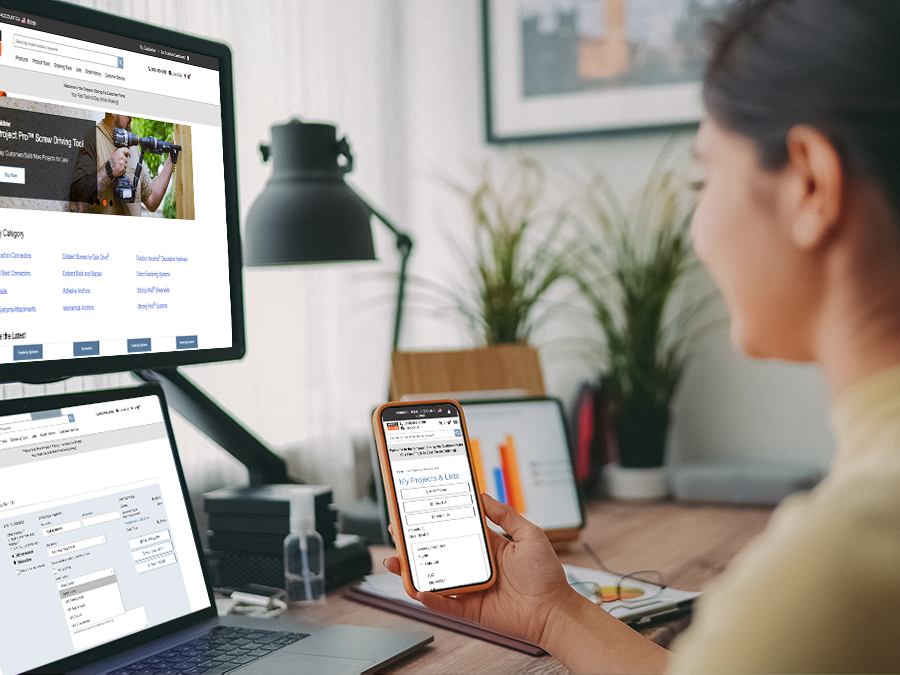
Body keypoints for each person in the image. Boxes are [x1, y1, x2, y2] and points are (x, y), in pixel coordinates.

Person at [385, 1, 900, 672]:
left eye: (704, 177)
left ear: (810, 185)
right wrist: (551, 609)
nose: (698, 230)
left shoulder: (840, 563)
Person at [69, 113, 173, 215]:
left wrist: (171, 161)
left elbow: (152, 200)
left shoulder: (133, 146)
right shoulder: (93, 138)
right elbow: (75, 206)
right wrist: (109, 168)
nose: (132, 116)